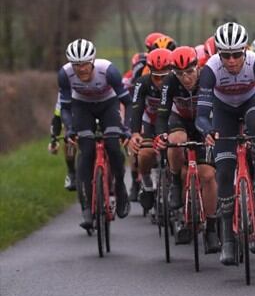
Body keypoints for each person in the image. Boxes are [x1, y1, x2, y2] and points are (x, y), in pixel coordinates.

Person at [196, 22, 255, 265]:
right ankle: (228, 240)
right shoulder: (210, 70)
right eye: (226, 55)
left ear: (245, 51)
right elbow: (201, 115)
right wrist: (207, 130)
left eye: (236, 55)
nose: (232, 61)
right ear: (218, 53)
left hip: (251, 102)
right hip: (223, 111)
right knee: (223, 173)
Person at [58, 39, 131, 230]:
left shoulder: (108, 71)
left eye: (84, 64)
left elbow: (128, 102)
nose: (80, 69)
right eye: (76, 65)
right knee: (86, 152)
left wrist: (127, 128)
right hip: (82, 107)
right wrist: (70, 128)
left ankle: (121, 189)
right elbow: (64, 107)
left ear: (92, 61)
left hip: (108, 105)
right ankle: (87, 210)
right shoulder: (65, 75)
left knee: (114, 148)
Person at [155, 46, 219, 250]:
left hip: (204, 123)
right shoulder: (170, 82)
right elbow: (162, 112)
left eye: (189, 72)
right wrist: (161, 135)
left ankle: (211, 228)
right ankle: (174, 181)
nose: (186, 78)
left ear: (197, 68)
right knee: (176, 140)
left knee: (208, 175)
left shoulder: (208, 77)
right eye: (180, 74)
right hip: (180, 119)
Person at [128, 48, 173, 218]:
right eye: (156, 76)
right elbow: (136, 109)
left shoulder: (176, 82)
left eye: (165, 76)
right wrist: (134, 133)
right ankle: (146, 184)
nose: (160, 81)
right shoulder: (143, 82)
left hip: (170, 122)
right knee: (145, 154)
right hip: (149, 122)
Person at [48, 93, 77, 191]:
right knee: (69, 139)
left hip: (95, 114)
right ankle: (72, 173)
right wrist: (54, 139)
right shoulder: (65, 88)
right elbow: (57, 116)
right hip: (74, 119)